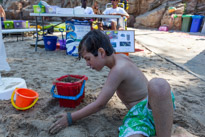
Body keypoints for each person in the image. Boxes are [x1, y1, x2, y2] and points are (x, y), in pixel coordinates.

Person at [49, 30, 175, 137]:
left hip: (154, 108)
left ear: (101, 52)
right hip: (144, 118)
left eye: (88, 59)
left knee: (158, 84)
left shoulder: (118, 70)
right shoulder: (121, 58)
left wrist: (70, 118)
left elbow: (99, 104)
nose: (87, 64)